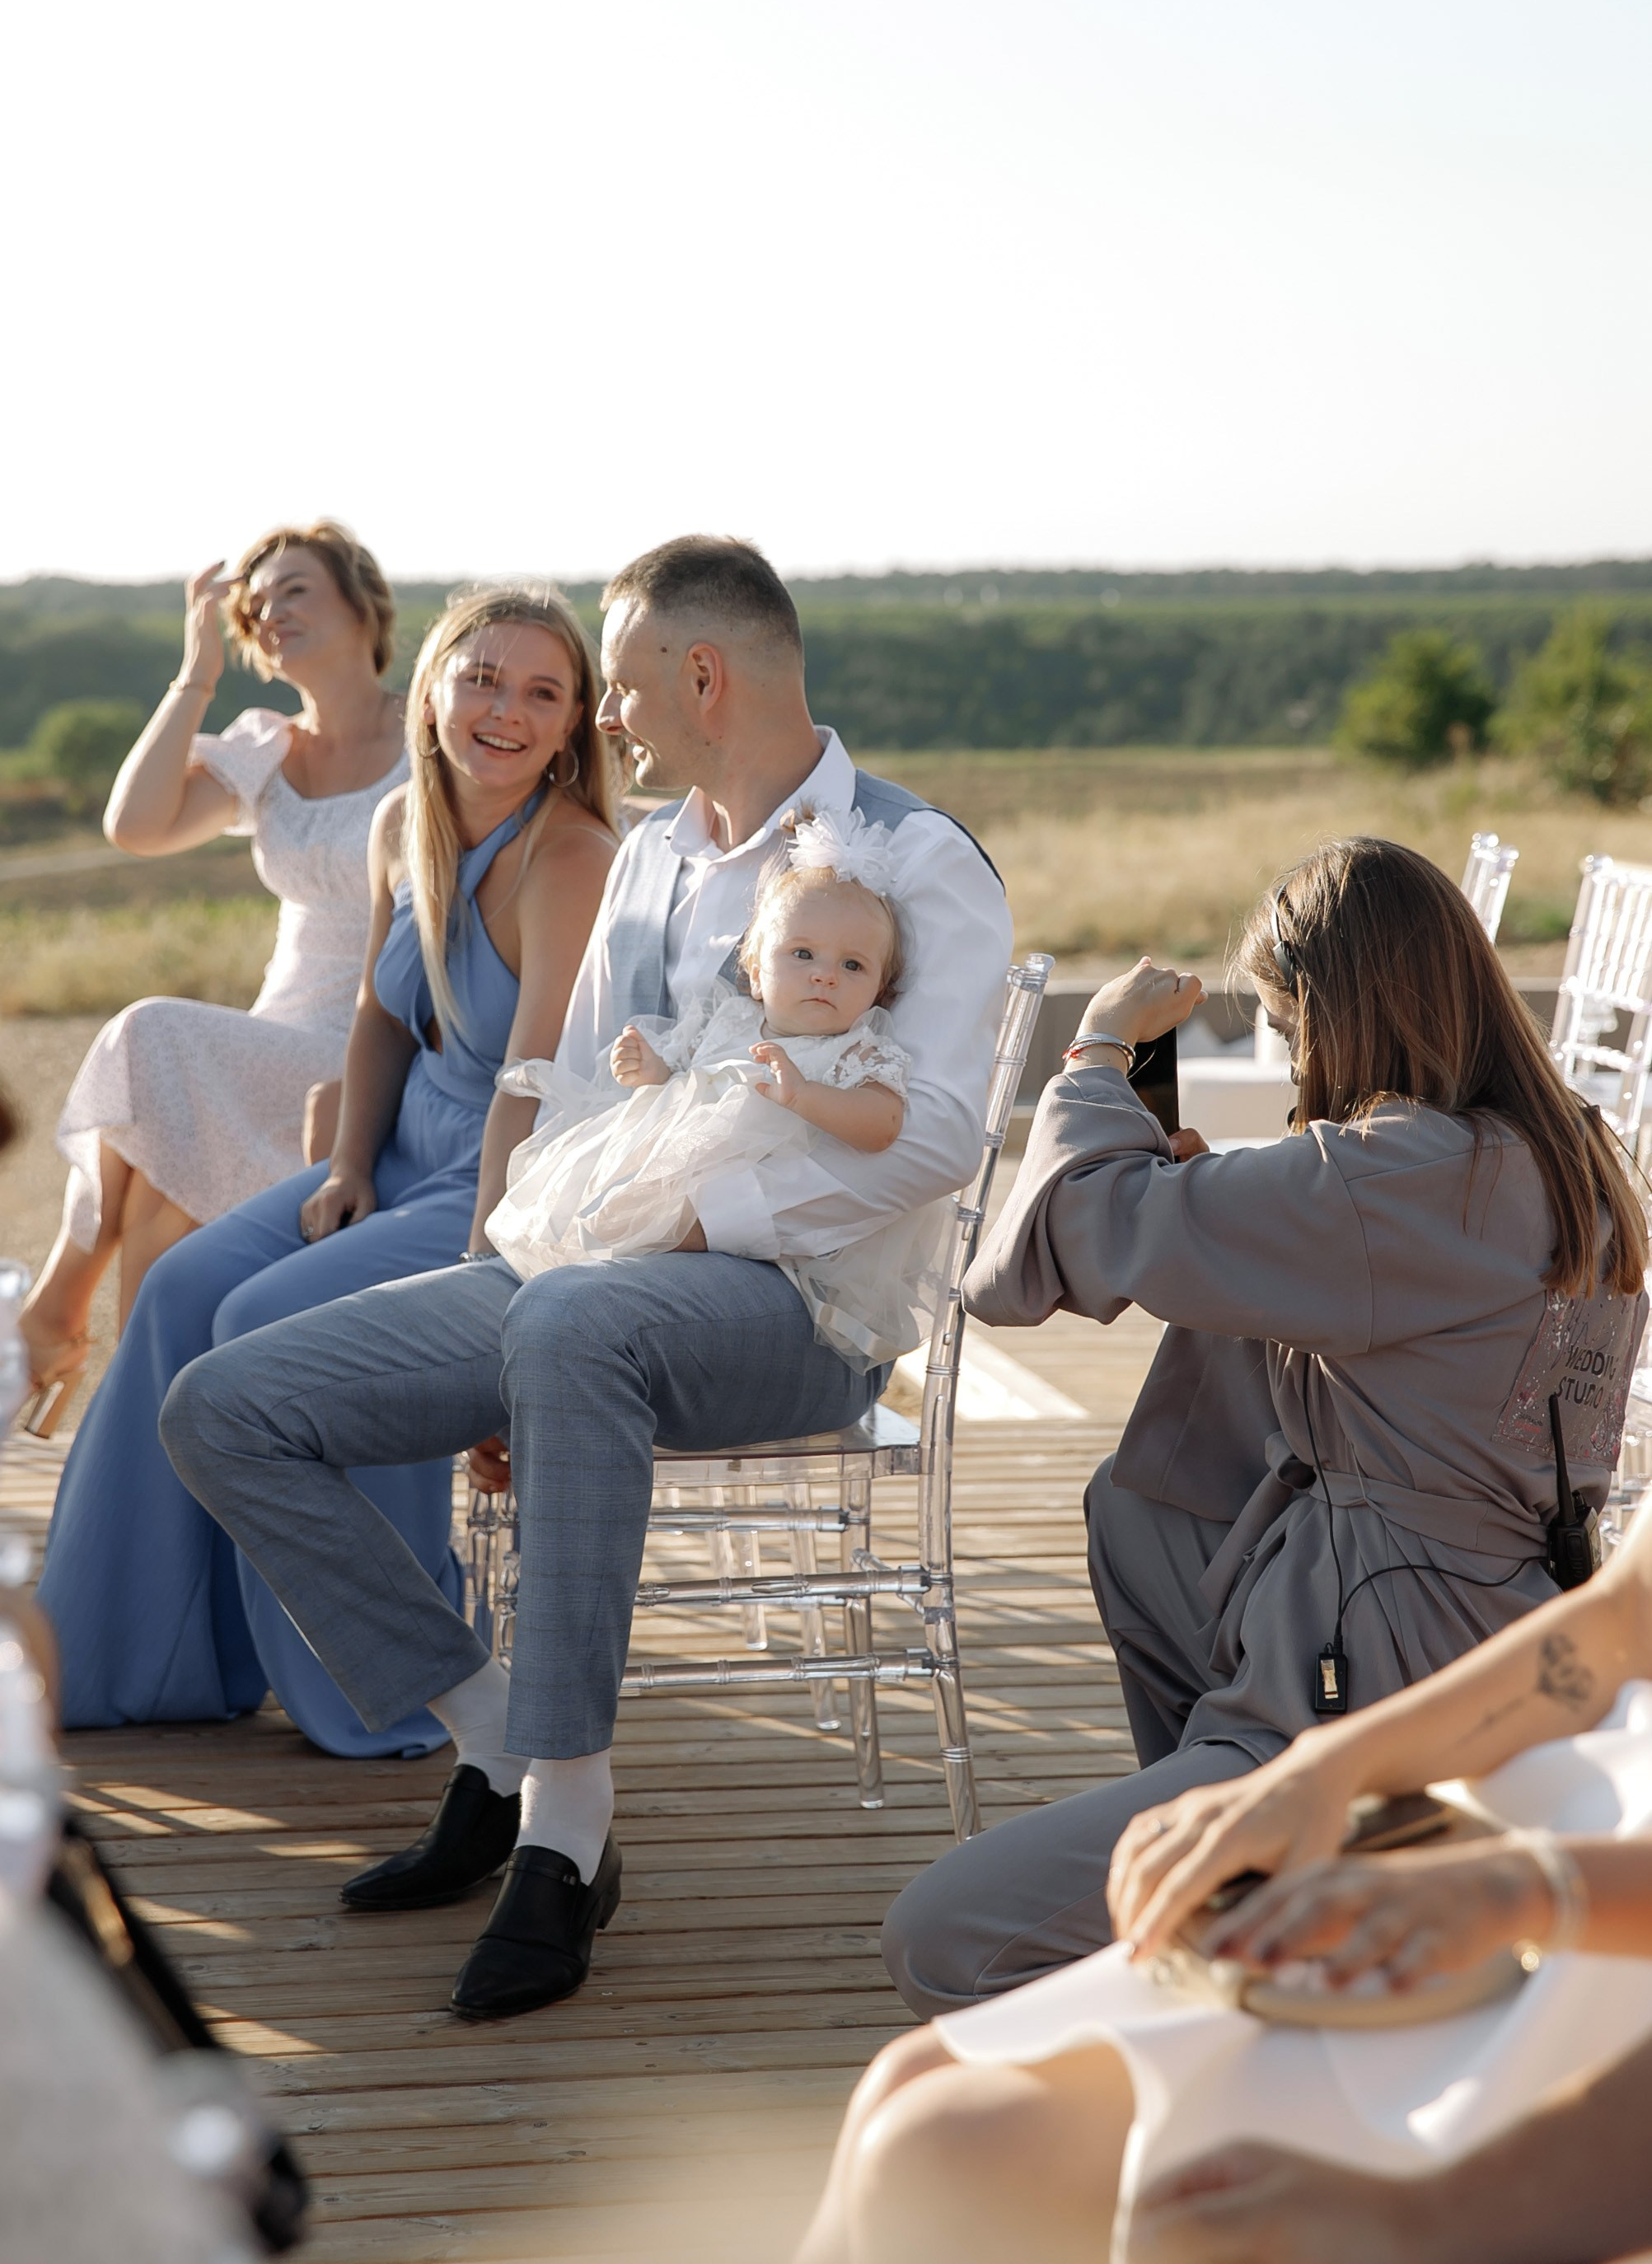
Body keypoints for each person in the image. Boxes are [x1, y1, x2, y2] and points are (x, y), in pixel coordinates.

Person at [159, 533, 1013, 2017]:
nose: (606, 719)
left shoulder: (915, 856)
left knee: (570, 1325)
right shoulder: (658, 855)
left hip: (799, 1306)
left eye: (616, 686)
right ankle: (488, 1732)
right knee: (227, 1403)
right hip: (580, 1277)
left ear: (701, 673)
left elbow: (936, 1135)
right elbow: (566, 1090)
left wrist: (702, 1226)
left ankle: (565, 1835)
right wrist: (512, 1251)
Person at [880, 838, 1650, 2019]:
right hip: (1488, 1607)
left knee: (946, 1937)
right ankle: (1219, 1838)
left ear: (1343, 1015)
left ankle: (1251, 1902)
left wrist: (1098, 1053)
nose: (1294, 1060)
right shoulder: (1551, 1146)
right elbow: (1340, 1243)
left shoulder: (1390, 1181)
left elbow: (1071, 1240)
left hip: (1371, 1675)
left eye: (1291, 1030)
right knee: (1135, 1506)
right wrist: (1222, 1213)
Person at [798, 1424, 1652, 2264]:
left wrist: (1524, 1889)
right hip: (1536, 1843)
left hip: (1592, 1944)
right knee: (904, 2082)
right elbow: (1615, 1624)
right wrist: (1324, 1768)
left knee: (939, 2152)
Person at [36, 585, 616, 1756]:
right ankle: (130, 1663)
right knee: (181, 1291)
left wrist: (479, 1258)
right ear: (438, 686)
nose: (504, 710)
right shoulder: (403, 818)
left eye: (540, 692)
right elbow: (378, 1014)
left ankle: (385, 1685)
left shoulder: (573, 855)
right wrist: (348, 1161)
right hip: (396, 1153)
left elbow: (532, 1079)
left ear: (571, 727)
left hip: (504, 1184)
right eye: (483, 679)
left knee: (267, 1320)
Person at [17, 521, 408, 1435]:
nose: (272, 613)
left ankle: (55, 1316)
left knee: (150, 1031)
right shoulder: (266, 747)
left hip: (370, 1039)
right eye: (257, 605)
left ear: (362, 603)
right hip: (273, 1031)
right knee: (156, 1183)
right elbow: (137, 825)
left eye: (295, 590)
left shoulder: (426, 728)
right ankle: (145, 1416)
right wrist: (195, 671)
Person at [489, 802, 948, 1364]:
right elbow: (681, 1081)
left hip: (769, 1228)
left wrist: (805, 1096)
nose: (825, 973)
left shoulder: (856, 1048)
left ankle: (613, 1297)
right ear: (754, 967)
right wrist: (651, 1073)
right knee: (595, 1211)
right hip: (676, 1165)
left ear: (880, 989)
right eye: (801, 954)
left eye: (853, 966)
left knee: (639, 1233)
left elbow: (882, 1125)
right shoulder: (726, 1020)